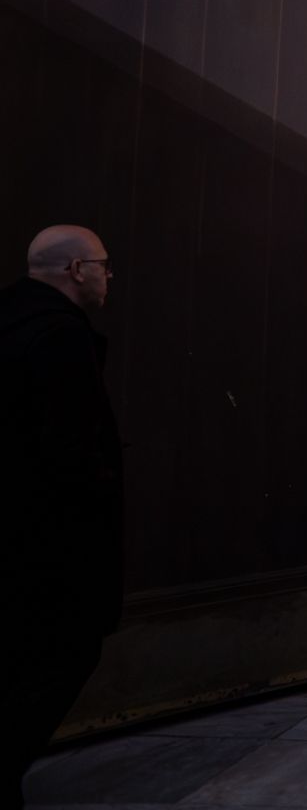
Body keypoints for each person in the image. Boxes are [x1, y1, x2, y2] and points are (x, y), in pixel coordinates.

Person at [2, 226, 121, 808]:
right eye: (102, 266)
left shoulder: (15, 320)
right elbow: (69, 448)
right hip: (49, 536)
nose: (108, 276)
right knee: (64, 650)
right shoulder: (58, 336)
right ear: (77, 270)